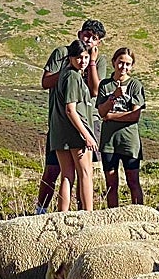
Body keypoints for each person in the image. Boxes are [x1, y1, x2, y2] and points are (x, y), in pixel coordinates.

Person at [36, 19, 107, 213]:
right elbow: (45, 82)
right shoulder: (63, 56)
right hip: (68, 120)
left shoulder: (98, 60)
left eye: (94, 38)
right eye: (87, 35)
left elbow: (95, 90)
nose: (89, 40)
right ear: (79, 33)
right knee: (60, 171)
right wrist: (70, 68)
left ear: (98, 42)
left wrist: (90, 62)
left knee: (70, 173)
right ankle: (45, 210)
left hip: (86, 117)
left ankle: (71, 212)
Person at [49, 40, 98, 212]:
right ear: (70, 58)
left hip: (60, 132)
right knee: (85, 173)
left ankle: (62, 215)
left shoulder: (64, 74)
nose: (83, 61)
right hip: (74, 133)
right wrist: (87, 135)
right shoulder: (73, 76)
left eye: (86, 57)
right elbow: (71, 110)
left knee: (67, 176)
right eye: (79, 57)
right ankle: (88, 214)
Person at [96, 47, 146, 206]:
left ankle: (139, 215)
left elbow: (134, 116)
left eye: (127, 64)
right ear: (113, 63)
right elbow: (102, 111)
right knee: (111, 184)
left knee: (133, 182)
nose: (123, 67)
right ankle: (113, 216)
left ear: (132, 66)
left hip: (129, 142)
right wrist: (113, 98)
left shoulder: (135, 85)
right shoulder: (105, 85)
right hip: (109, 143)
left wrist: (111, 116)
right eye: (120, 63)